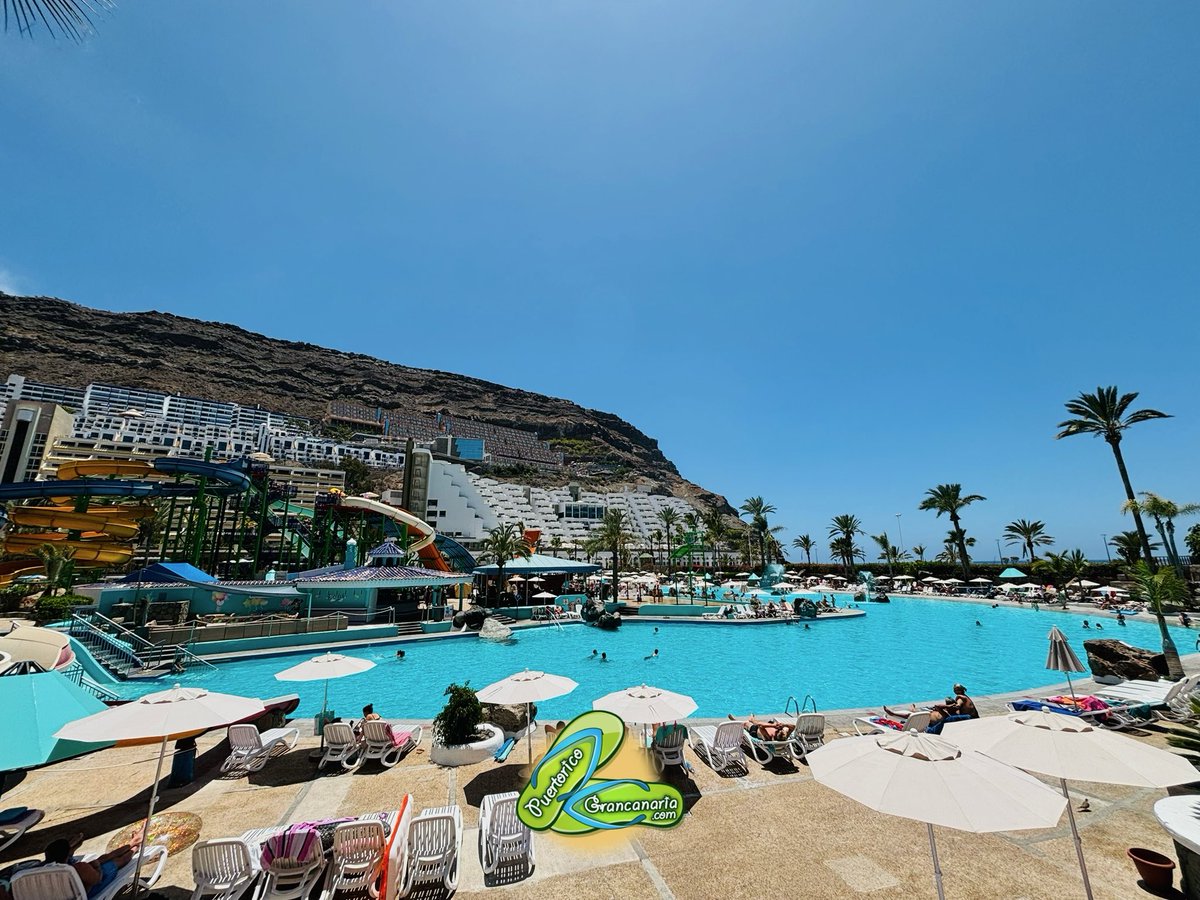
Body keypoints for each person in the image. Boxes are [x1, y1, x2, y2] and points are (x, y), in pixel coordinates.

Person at [44, 834, 140, 899]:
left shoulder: (44, 870)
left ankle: (131, 843)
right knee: (116, 862)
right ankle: (134, 849)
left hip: (68, 892)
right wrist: (97, 867)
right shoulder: (78, 868)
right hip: (86, 892)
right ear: (67, 854)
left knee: (104, 858)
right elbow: (97, 879)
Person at [728, 714, 793, 742]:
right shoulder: (784, 736)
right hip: (762, 726)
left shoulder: (769, 737)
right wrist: (784, 725)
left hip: (755, 730)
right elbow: (793, 727)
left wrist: (773, 726)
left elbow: (760, 726)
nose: (779, 729)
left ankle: (735, 721)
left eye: (778, 731)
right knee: (761, 722)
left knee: (746, 724)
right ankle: (752, 720)